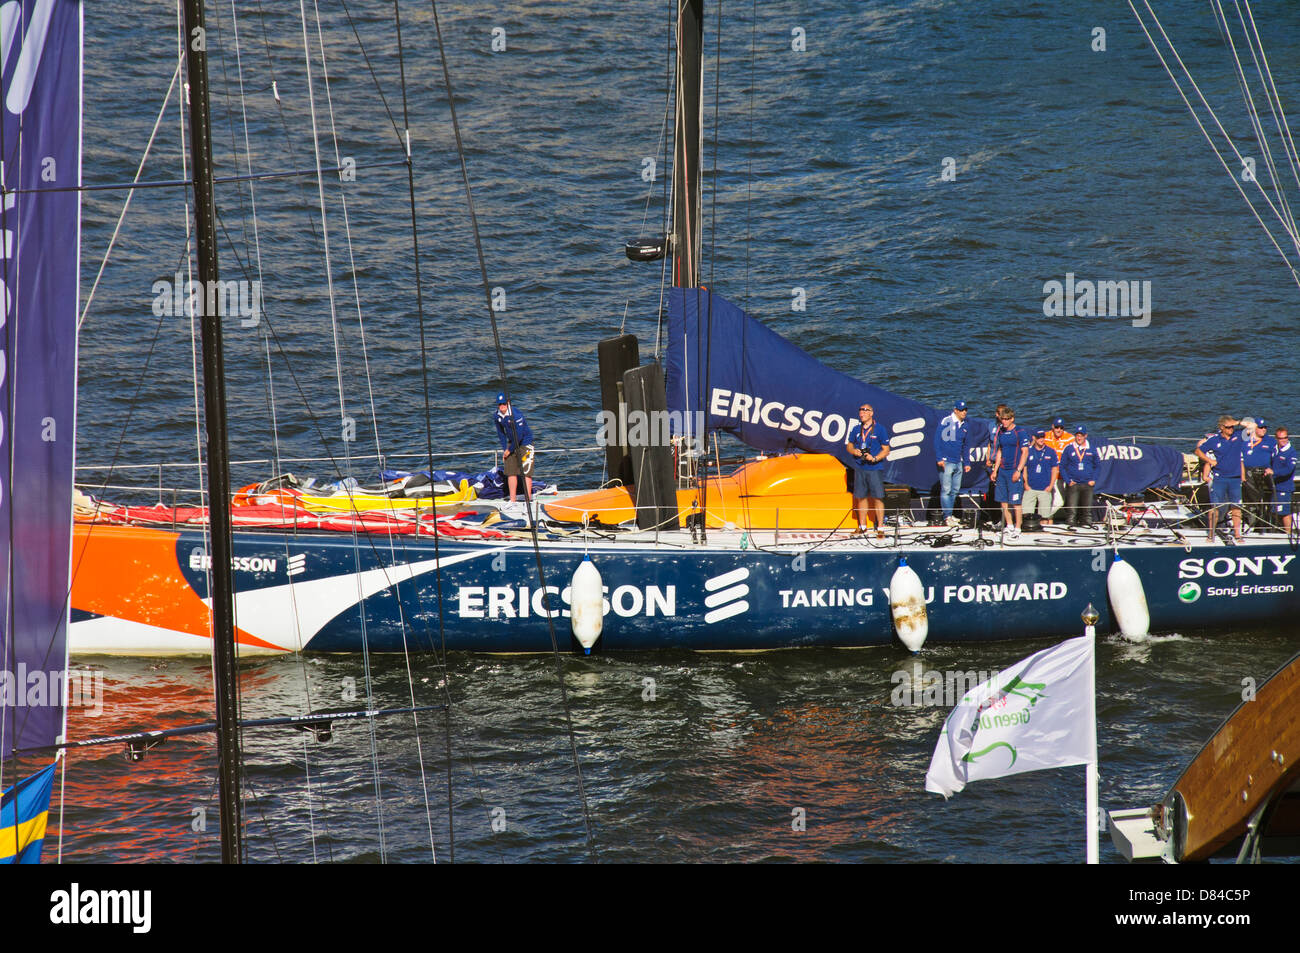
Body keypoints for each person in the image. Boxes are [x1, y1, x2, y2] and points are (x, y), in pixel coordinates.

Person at [1195, 414, 1245, 543]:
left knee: (1236, 507)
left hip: (1235, 478)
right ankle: (1211, 534)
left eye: (1232, 427)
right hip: (1219, 478)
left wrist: (1237, 422)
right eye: (1228, 427)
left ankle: (1238, 534)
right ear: (1222, 427)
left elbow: (1252, 425)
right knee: (1215, 507)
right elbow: (1198, 451)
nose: (1231, 430)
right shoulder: (1214, 440)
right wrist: (1210, 461)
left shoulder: (1238, 435)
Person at [845, 402, 891, 538]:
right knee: (860, 497)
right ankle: (862, 526)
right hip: (860, 467)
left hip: (874, 468)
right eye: (860, 412)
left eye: (865, 411)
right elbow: (849, 446)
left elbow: (886, 450)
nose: (862, 414)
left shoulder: (880, 429)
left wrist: (875, 458)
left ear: (871, 413)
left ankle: (881, 527)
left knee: (878, 497)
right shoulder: (855, 429)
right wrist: (855, 451)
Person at [989, 407, 1029, 537]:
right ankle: (1009, 525)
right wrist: (995, 470)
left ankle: (1018, 528)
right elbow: (1000, 451)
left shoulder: (1020, 432)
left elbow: (1025, 452)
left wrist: (1019, 470)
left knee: (1016, 502)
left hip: (1014, 470)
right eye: (1002, 419)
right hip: (1002, 470)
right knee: (1003, 501)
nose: (1004, 421)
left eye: (1007, 419)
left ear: (1012, 419)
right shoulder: (1000, 431)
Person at [934, 399, 971, 527]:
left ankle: (950, 514)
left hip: (958, 461)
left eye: (965, 409)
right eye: (961, 410)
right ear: (955, 410)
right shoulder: (946, 421)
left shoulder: (965, 425)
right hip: (946, 461)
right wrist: (939, 458)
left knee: (955, 490)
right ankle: (947, 516)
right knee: (946, 490)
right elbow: (937, 441)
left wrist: (967, 462)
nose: (964, 412)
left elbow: (966, 445)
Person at [494, 392, 535, 503]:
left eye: (504, 404)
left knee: (526, 473)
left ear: (508, 403)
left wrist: (509, 450)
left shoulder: (516, 415)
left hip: (525, 443)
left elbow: (519, 435)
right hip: (511, 443)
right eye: (499, 404)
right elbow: (501, 434)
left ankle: (528, 500)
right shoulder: (497, 416)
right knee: (511, 472)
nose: (502, 406)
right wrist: (505, 450)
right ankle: (513, 501)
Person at [1059, 425, 1099, 528]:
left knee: (1087, 510)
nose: (1079, 438)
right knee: (1072, 511)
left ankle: (1087, 526)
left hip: (1087, 483)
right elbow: (1062, 467)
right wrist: (1068, 481)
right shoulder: (1069, 449)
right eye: (1077, 435)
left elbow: (1097, 466)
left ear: (1086, 436)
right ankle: (1070, 527)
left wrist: (1093, 479)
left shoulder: (1091, 449)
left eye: (1081, 435)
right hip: (1074, 483)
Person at [1022, 429, 1060, 528]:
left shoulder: (1050, 451)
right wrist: (1025, 484)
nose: (1041, 439)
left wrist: (1051, 485)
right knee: (1026, 515)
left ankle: (1044, 533)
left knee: (1044, 517)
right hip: (1030, 487)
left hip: (1045, 488)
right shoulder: (1029, 451)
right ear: (1034, 438)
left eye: (1043, 437)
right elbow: (1024, 468)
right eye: (1039, 437)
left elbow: (1055, 469)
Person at [1241, 416, 1274, 529]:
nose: (1263, 429)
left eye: (1265, 427)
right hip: (1248, 473)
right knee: (1250, 500)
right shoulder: (1244, 440)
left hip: (1264, 474)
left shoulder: (1270, 441)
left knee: (1264, 500)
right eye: (1260, 427)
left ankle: (1265, 524)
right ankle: (1250, 524)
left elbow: (1277, 457)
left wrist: (1272, 469)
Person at [1267, 425, 1296, 534]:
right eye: (1280, 438)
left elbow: (1289, 469)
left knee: (1285, 512)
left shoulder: (1291, 452)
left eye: (1285, 437)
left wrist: (1274, 472)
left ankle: (1288, 534)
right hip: (1275, 487)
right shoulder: (1275, 450)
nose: (1283, 440)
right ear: (1276, 439)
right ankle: (1277, 533)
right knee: (1275, 511)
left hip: (1285, 487)